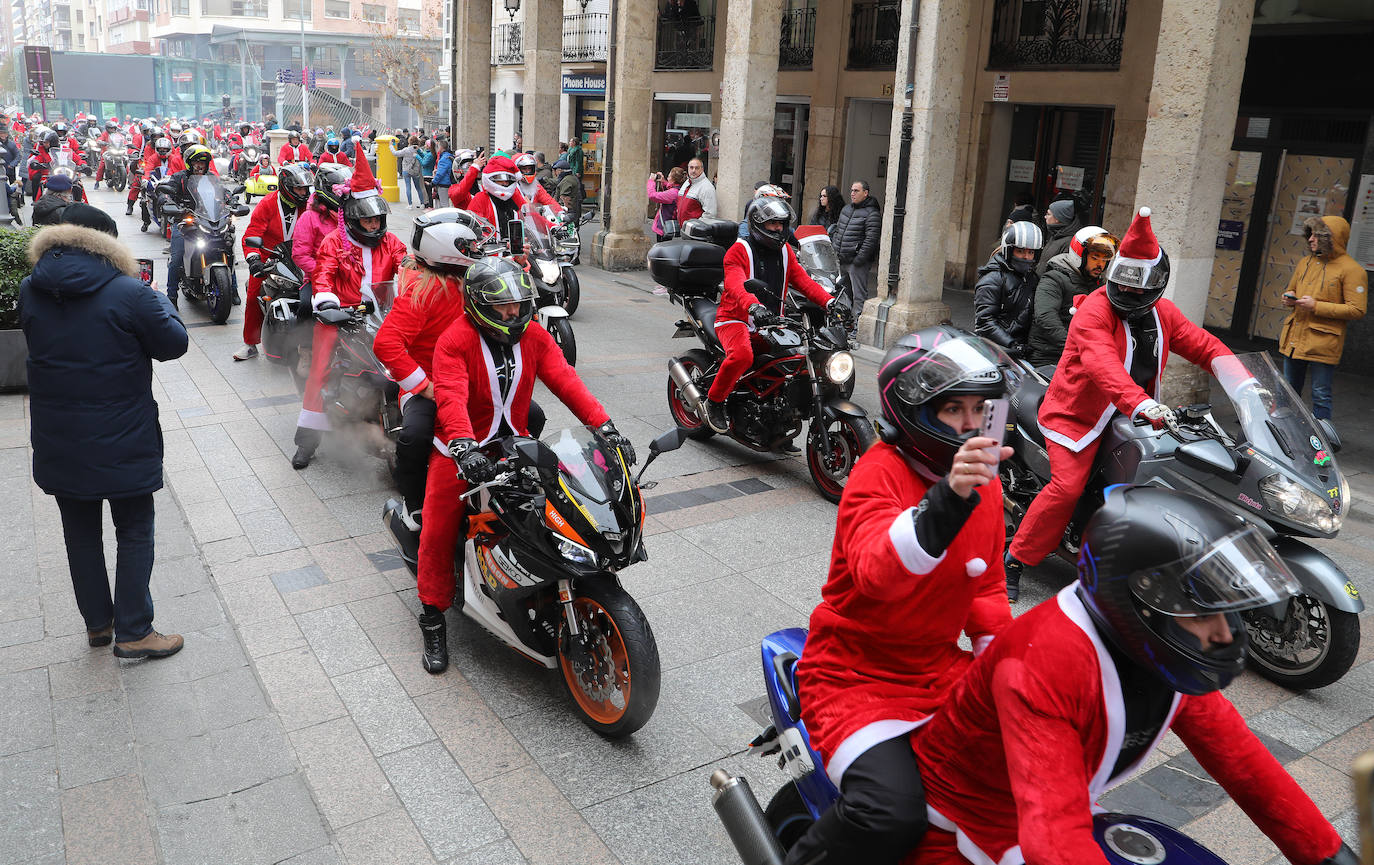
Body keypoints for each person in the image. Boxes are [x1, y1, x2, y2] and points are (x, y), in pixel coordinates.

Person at [907, 485, 1359, 865]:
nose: (1224, 634)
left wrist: (1329, 853)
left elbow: (1242, 763)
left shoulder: (1152, 646)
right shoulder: (1042, 664)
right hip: (964, 828)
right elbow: (1055, 838)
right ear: (1143, 602)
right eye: (1204, 615)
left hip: (1051, 808)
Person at [783, 326, 1016, 865]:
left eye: (980, 409)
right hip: (853, 673)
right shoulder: (877, 472)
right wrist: (950, 498)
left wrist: (1004, 667)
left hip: (937, 667)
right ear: (914, 412)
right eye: (952, 409)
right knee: (891, 812)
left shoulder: (988, 483)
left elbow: (987, 586)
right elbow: (877, 573)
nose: (970, 422)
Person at [1004, 208, 1241, 601]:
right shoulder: (1094, 310)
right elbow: (1103, 366)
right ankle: (1015, 559)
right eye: (1124, 284)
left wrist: (1244, 384)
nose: (1129, 294)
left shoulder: (1163, 312)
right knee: (1067, 488)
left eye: (1138, 288)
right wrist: (1142, 403)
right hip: (1077, 416)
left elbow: (1203, 345)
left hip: (1134, 418)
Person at [415, 256, 636, 673]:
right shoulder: (455, 339)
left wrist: (606, 428)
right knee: (437, 530)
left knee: (562, 510)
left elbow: (567, 381)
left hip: (515, 446)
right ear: (479, 304)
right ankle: (432, 615)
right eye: (502, 306)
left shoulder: (534, 336)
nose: (513, 312)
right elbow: (449, 396)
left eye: (517, 303)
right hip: (462, 453)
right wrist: (464, 447)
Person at [20, 205, 189, 659]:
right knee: (135, 529)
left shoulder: (30, 289)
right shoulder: (129, 293)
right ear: (106, 243)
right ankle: (135, 631)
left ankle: (99, 624)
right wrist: (158, 298)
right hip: (123, 435)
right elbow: (174, 344)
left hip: (59, 436)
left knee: (80, 532)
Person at [373, 209, 496, 527]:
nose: (477, 249)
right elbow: (386, 344)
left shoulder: (476, 281)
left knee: (532, 415)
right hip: (432, 385)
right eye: (469, 244)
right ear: (449, 247)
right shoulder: (423, 291)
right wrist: (423, 386)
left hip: (475, 380)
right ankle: (413, 503)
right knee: (414, 437)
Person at [293, 151, 407, 469]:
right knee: (320, 372)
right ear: (354, 219)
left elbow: (408, 267)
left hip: (385, 316)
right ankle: (306, 442)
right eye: (367, 220)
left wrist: (420, 288)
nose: (373, 225)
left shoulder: (392, 242)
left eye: (377, 219)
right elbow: (323, 274)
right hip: (343, 317)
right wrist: (327, 302)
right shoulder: (334, 242)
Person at [703, 196, 844, 439]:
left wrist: (831, 303)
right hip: (735, 319)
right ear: (758, 224)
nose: (779, 229)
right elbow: (737, 286)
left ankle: (780, 420)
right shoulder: (739, 250)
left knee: (794, 361)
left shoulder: (786, 251)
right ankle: (713, 402)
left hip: (771, 322)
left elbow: (805, 283)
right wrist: (754, 307)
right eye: (772, 224)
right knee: (742, 356)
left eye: (781, 223)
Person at [1277, 215, 1367, 422]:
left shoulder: (1352, 270)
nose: (1310, 239)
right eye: (1310, 234)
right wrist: (1288, 297)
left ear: (1330, 238)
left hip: (1323, 341)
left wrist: (1316, 306)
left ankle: (1323, 437)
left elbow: (1357, 309)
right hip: (1294, 337)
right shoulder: (1305, 262)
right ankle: (1284, 429)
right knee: (1287, 390)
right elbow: (1292, 288)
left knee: (1320, 394)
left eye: (1317, 235)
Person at [236, 162, 314, 361]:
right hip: (269, 256)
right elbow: (252, 233)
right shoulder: (268, 203)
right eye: (299, 188)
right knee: (254, 295)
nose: (303, 192)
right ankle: (250, 343)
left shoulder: (310, 205)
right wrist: (254, 260)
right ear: (286, 186)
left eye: (306, 188)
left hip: (301, 257)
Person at [1027, 227, 1117, 367]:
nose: (1100, 264)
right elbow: (1045, 316)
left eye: (1104, 259)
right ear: (1079, 255)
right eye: (1095, 258)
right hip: (1049, 357)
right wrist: (1073, 346)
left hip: (1084, 357)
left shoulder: (1099, 285)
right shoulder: (1054, 278)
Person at [154, 144, 216, 310]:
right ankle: (171, 296)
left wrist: (231, 202)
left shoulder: (211, 178)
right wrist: (168, 202)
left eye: (203, 162)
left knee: (226, 246)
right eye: (196, 162)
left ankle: (232, 288)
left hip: (208, 222)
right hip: (185, 222)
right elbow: (165, 193)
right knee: (177, 257)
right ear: (189, 163)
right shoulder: (179, 178)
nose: (199, 165)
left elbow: (224, 193)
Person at [973, 221, 1042, 358]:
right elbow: (985, 322)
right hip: (994, 350)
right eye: (1020, 251)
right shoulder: (993, 279)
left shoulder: (1031, 277)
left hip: (1022, 350)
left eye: (1031, 252)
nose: (1026, 257)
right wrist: (1011, 344)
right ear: (1009, 250)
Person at [291, 163, 350, 286]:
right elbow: (300, 255)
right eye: (340, 191)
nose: (344, 195)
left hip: (351, 279)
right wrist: (326, 272)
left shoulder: (351, 215)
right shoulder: (309, 218)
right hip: (319, 278)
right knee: (306, 305)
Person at [831, 180, 881, 313]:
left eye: (856, 191)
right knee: (843, 293)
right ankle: (845, 323)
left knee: (859, 295)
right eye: (852, 190)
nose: (852, 193)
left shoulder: (872, 213)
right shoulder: (846, 209)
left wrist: (859, 259)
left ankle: (858, 324)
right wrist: (836, 249)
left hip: (857, 262)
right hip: (842, 259)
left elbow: (871, 239)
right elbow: (838, 231)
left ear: (865, 193)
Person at [460, 155, 529, 247]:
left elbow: (530, 214)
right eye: (500, 179)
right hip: (491, 254)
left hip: (515, 251)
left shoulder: (514, 196)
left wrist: (551, 226)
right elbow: (474, 226)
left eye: (508, 180)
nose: (505, 183)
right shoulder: (480, 198)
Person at [1035, 197, 1082, 277]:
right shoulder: (1055, 235)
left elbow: (1061, 273)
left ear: (1058, 219)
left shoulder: (1069, 242)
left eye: (1048, 214)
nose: (1045, 217)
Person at [647, 167, 685, 242]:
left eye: (669, 176)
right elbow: (670, 188)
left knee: (662, 249)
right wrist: (663, 181)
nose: (667, 177)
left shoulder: (673, 193)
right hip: (667, 224)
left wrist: (651, 181)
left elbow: (652, 195)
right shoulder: (679, 189)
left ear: (673, 180)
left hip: (665, 227)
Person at [676, 156, 716, 221]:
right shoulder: (687, 182)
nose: (693, 170)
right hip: (683, 228)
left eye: (697, 168)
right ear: (688, 168)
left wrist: (696, 227)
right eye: (691, 167)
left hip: (694, 229)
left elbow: (710, 215)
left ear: (702, 169)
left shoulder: (707, 187)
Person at [394, 134, 425, 208]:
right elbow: (423, 156)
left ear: (409, 142)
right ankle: (422, 203)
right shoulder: (419, 150)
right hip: (416, 171)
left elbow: (395, 153)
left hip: (406, 170)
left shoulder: (406, 150)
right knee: (418, 187)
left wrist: (391, 146)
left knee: (408, 187)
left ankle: (410, 204)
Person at [431, 138, 454, 206]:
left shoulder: (444, 159)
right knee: (443, 203)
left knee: (444, 204)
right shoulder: (447, 156)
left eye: (438, 147)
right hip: (446, 182)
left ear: (441, 147)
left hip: (443, 184)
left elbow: (440, 174)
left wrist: (433, 183)